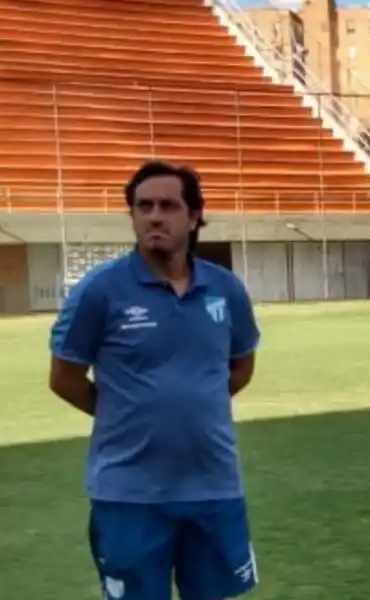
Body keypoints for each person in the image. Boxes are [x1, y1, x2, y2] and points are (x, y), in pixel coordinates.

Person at [48, 161, 261, 600]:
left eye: (168, 206)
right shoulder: (99, 291)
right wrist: (124, 411)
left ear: (194, 216)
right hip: (129, 493)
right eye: (143, 207)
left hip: (214, 485)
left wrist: (197, 404)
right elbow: (64, 378)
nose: (154, 217)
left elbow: (241, 366)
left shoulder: (225, 290)